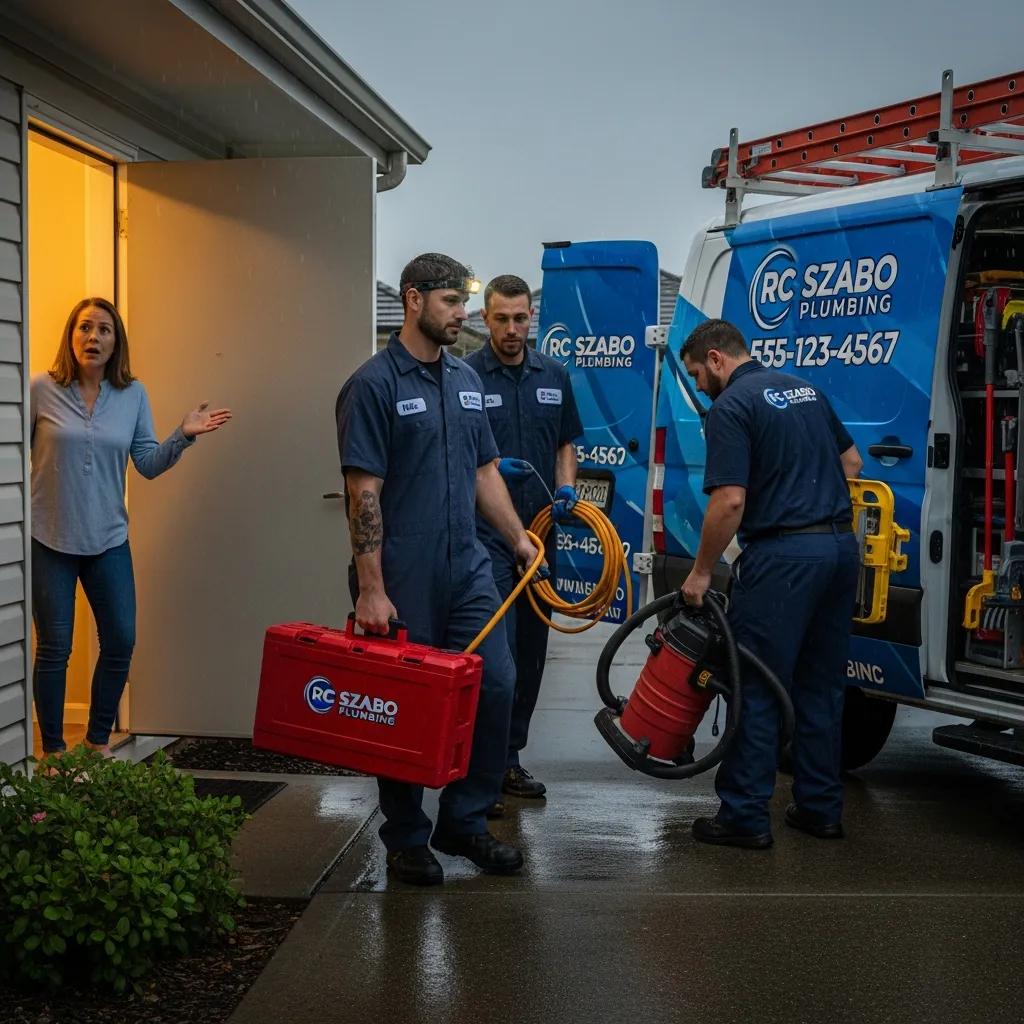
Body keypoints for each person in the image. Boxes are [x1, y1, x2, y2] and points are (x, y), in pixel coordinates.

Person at [335, 253, 542, 886]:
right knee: (403, 709)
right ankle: (405, 837)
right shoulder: (372, 385)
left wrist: (517, 540)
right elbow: (363, 491)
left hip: (469, 566)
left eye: (462, 302)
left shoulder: (464, 380)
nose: (461, 315)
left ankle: (465, 820)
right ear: (413, 300)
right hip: (402, 574)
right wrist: (372, 589)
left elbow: (484, 471)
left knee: (496, 685)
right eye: (451, 302)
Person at [678, 319, 863, 849]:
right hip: (837, 549)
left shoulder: (731, 408)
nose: (697, 386)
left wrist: (700, 572)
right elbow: (852, 462)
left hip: (784, 558)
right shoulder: (804, 388)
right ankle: (820, 808)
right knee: (821, 688)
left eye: (696, 375)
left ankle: (744, 816)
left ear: (716, 359)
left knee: (754, 684)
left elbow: (730, 501)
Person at [31, 297, 231, 761]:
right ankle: (56, 753)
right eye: (84, 328)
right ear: (71, 336)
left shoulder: (132, 395)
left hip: (108, 541)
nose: (93, 337)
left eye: (104, 330)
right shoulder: (41, 389)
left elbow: (146, 464)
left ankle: (98, 742)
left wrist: (182, 435)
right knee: (55, 647)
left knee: (121, 639)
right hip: (49, 539)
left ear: (116, 341)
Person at [464, 275, 582, 813]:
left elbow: (565, 442)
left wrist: (566, 486)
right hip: (487, 538)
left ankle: (508, 758)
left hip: (541, 535)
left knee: (532, 652)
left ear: (530, 317)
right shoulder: (465, 377)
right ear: (484, 320)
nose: (512, 329)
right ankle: (478, 766)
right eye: (501, 319)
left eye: (520, 318)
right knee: (497, 654)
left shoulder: (554, 375)